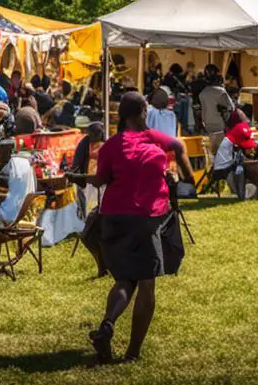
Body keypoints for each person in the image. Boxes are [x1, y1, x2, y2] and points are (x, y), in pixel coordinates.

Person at [83, 92, 193, 364]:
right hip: (145, 218)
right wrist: (189, 177)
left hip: (113, 219)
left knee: (124, 280)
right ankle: (132, 352)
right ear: (143, 112)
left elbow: (101, 179)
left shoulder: (111, 146)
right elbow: (178, 146)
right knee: (146, 284)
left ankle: (108, 323)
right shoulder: (153, 139)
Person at [198, 66, 234, 151]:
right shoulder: (221, 91)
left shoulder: (202, 93)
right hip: (220, 125)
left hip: (207, 125)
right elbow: (231, 107)